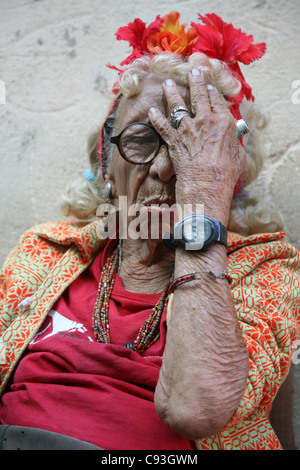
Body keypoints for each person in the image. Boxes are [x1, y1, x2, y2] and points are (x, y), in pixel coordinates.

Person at [0, 11, 299, 451]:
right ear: (106, 161)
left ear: (228, 172)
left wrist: (200, 207)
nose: (162, 167)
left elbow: (195, 408)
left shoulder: (269, 272)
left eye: (189, 146)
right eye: (141, 140)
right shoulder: (45, 251)